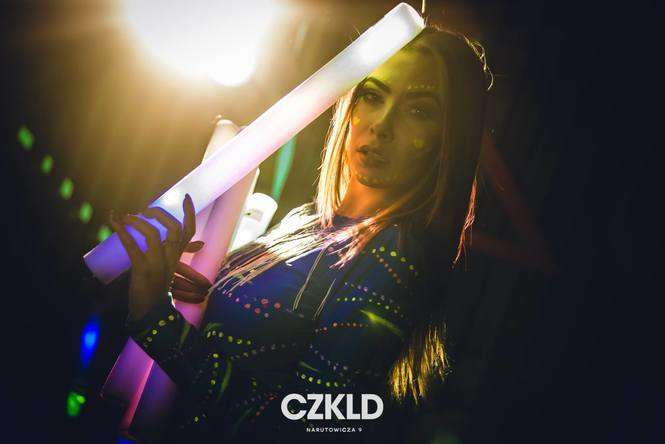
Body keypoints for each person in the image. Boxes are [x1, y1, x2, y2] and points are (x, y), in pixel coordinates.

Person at [109, 26, 491, 443]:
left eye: (419, 110)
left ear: (448, 137)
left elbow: (302, 427)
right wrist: (196, 290)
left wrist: (157, 323)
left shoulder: (394, 256)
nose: (382, 125)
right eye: (373, 95)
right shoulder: (305, 220)